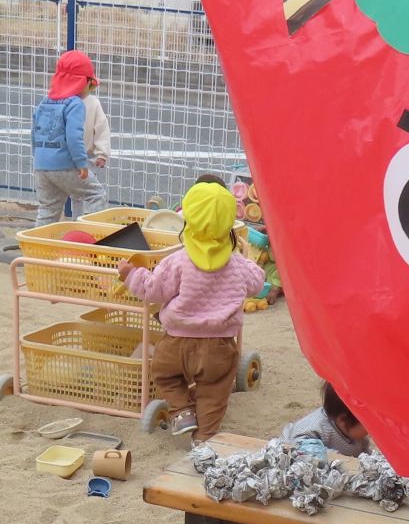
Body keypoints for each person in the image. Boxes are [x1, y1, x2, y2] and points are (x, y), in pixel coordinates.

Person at [117, 180, 264, 440]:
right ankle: (204, 440)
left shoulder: (177, 261)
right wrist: (246, 259)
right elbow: (256, 283)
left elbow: (153, 290)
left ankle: (182, 410)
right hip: (219, 347)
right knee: (213, 394)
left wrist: (131, 275)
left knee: (164, 375)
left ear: (187, 221)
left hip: (176, 342)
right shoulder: (237, 264)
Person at [31, 50, 107, 223]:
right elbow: (74, 138)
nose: (91, 89)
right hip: (64, 165)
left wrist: (38, 159)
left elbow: (34, 133)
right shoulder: (74, 104)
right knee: (95, 194)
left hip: (42, 166)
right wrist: (81, 163)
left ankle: (36, 247)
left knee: (47, 209)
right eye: (91, 84)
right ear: (82, 83)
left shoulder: (44, 102)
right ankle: (97, 239)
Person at [281, 382, 370, 458]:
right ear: (343, 420)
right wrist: (332, 456)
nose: (372, 430)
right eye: (368, 424)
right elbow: (296, 445)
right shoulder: (316, 428)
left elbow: (364, 453)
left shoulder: (357, 434)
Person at [83, 78, 111, 194]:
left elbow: (102, 128)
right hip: (63, 156)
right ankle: (72, 212)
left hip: (86, 156)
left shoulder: (93, 103)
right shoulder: (62, 100)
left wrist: (102, 154)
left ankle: (78, 212)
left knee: (86, 192)